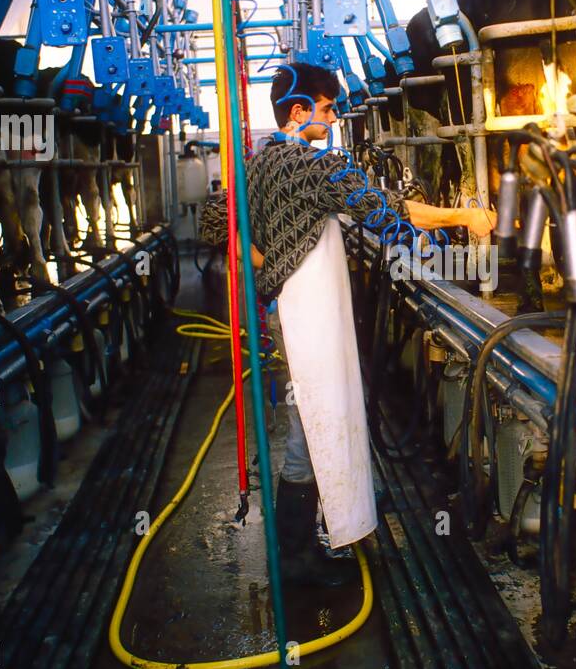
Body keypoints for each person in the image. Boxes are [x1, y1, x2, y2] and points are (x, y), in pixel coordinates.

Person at [199, 62, 495, 585]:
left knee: (312, 416)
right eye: (329, 108)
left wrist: (260, 258)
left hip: (283, 314)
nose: (333, 117)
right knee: (311, 425)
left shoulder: (259, 160)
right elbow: (389, 214)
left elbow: (213, 220)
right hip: (310, 317)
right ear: (299, 111)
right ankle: (294, 556)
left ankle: (308, 535)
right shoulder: (319, 166)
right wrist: (459, 223)